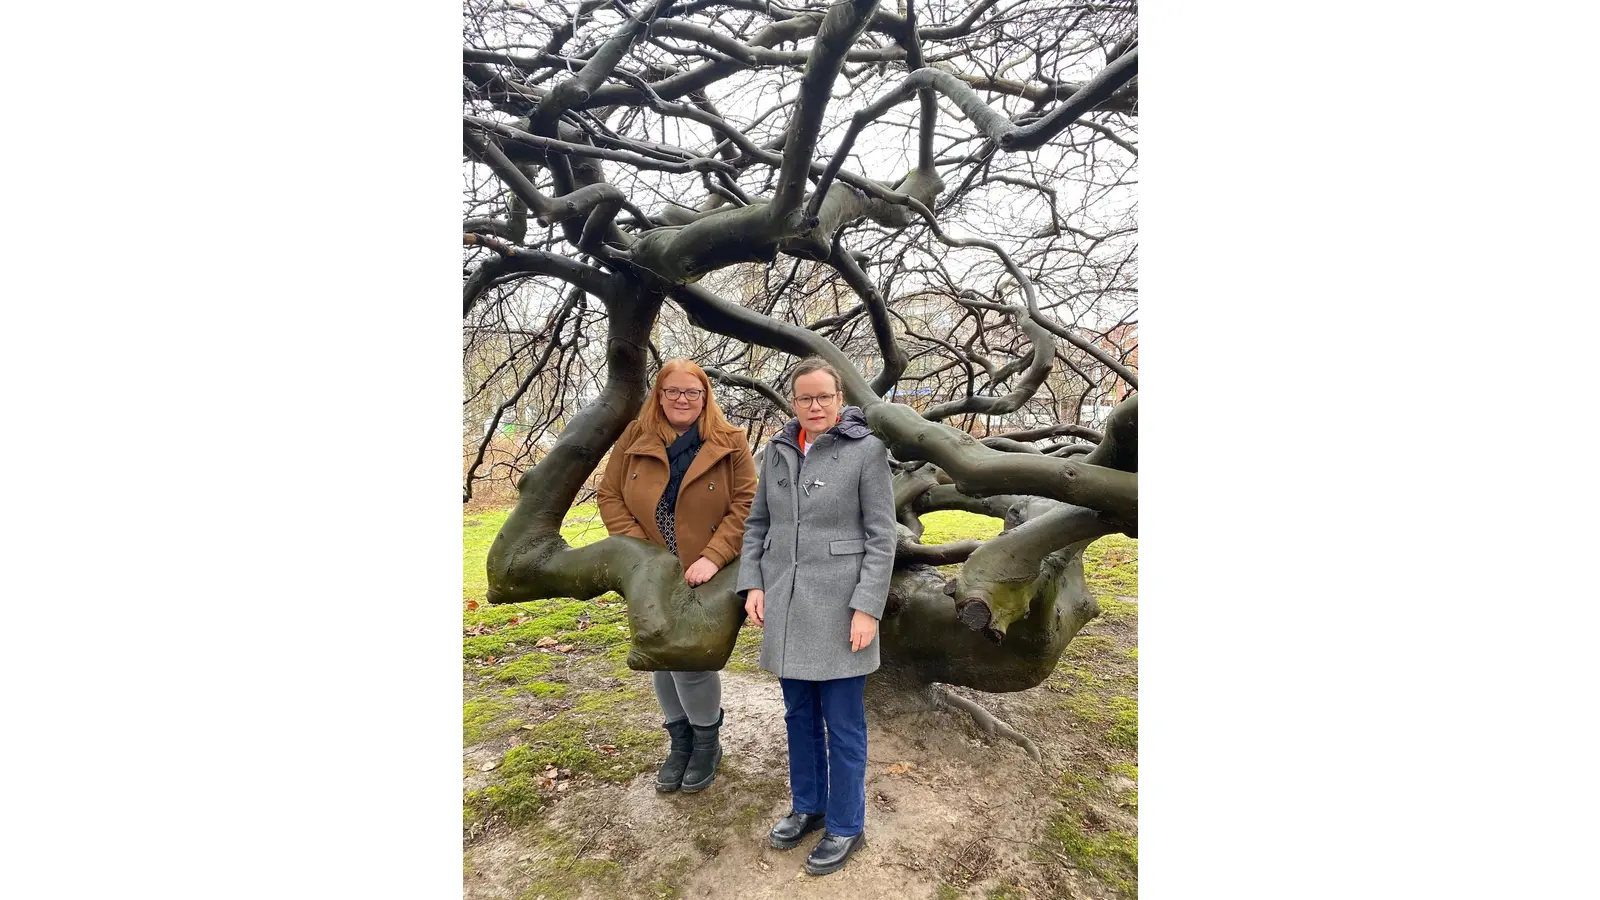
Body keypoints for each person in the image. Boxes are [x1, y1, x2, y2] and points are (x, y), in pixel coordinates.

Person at [736, 357, 896, 876]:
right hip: (784, 603)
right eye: (805, 398)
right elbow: (758, 523)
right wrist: (753, 582)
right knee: (798, 717)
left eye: (824, 396)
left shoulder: (867, 451)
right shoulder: (777, 452)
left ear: (840, 396)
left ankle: (847, 825)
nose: (814, 406)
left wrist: (868, 607)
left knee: (843, 725)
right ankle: (809, 805)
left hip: (843, 609)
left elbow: (881, 536)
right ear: (793, 401)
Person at [597, 359, 758, 794]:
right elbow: (610, 494)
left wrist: (712, 555)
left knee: (689, 660)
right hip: (649, 569)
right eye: (673, 392)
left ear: (705, 396)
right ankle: (680, 743)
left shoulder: (730, 440)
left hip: (710, 569)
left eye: (692, 392)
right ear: (659, 395)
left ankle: (707, 744)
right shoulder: (635, 437)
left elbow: (748, 505)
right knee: (658, 654)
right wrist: (640, 554)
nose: (682, 400)